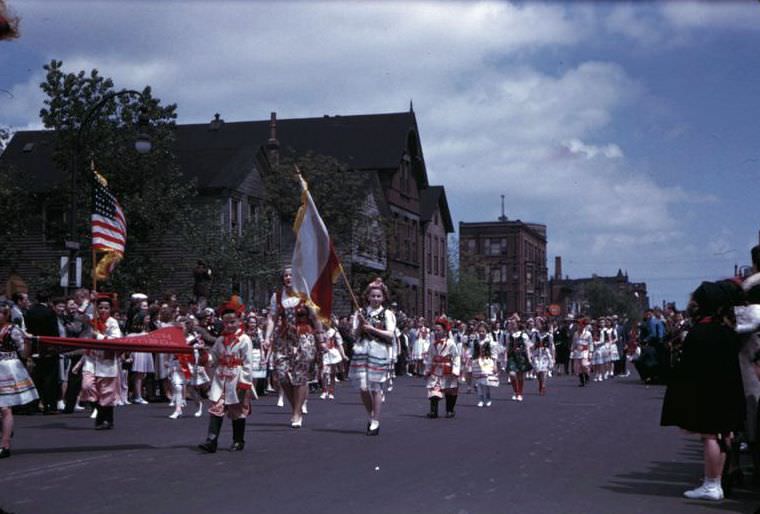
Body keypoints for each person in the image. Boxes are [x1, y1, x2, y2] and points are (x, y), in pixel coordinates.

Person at [660, 281, 745, 501]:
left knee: (709, 437)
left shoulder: (700, 332)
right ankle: (717, 481)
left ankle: (711, 483)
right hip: (729, 391)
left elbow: (688, 368)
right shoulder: (728, 330)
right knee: (724, 435)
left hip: (709, 392)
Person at [264, 267, 322, 428]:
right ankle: (296, 406)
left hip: (304, 338)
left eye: (291, 275)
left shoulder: (305, 296)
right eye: (286, 275)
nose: (288, 278)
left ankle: (296, 413)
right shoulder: (277, 297)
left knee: (300, 376)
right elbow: (272, 318)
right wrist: (267, 337)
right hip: (284, 338)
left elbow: (315, 318)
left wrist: (321, 337)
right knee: (282, 375)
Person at [197, 303, 253, 453]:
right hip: (221, 378)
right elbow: (213, 358)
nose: (229, 325)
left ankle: (238, 440)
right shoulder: (220, 340)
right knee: (216, 407)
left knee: (237, 410)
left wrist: (245, 383)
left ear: (240, 321)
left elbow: (248, 363)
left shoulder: (245, 340)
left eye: (232, 322)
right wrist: (204, 355)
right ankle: (211, 440)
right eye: (226, 322)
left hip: (236, 377)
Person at [349, 278, 396, 435]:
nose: (375, 299)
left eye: (379, 296)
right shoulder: (360, 313)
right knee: (363, 387)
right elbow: (354, 335)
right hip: (362, 350)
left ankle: (375, 420)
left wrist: (373, 329)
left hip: (378, 350)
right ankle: (371, 415)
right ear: (368, 297)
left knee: (375, 386)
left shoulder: (387, 314)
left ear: (383, 298)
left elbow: (390, 335)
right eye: (373, 296)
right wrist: (361, 328)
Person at [0, 301, 38, 457]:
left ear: (6, 314)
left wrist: (28, 342)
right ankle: (6, 431)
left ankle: (5, 445)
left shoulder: (13, 330)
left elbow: (23, 354)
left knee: (4, 407)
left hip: (7, 369)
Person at [424, 316, 460, 418]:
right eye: (435, 330)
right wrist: (427, 370)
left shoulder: (451, 343)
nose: (436, 332)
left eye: (438, 330)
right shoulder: (432, 344)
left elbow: (456, 357)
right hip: (436, 369)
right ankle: (433, 411)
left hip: (447, 369)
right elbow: (430, 357)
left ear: (445, 331)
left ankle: (450, 410)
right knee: (434, 389)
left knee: (450, 389)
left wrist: (456, 370)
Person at [471, 322, 497, 407]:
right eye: (480, 331)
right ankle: (481, 399)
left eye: (483, 331)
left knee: (486, 381)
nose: (481, 333)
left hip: (487, 362)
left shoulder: (490, 342)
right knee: (478, 382)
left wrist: (495, 364)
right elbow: (472, 353)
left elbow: (493, 354)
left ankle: (488, 398)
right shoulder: (475, 342)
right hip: (477, 362)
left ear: (486, 332)